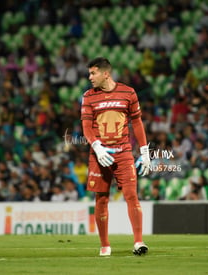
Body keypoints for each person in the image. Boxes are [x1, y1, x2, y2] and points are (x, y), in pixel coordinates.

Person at [81, 57, 150, 256]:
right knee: (101, 199)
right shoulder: (88, 96)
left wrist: (144, 151)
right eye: (89, 73)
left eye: (93, 73)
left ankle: (138, 242)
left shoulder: (128, 92)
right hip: (99, 155)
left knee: (131, 195)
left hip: (123, 153)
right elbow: (86, 127)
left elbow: (137, 122)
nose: (90, 77)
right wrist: (97, 146)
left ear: (106, 74)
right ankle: (105, 245)